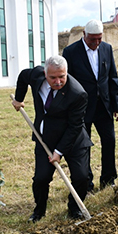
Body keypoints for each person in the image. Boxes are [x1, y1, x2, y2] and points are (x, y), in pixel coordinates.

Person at [12, 55, 92, 222]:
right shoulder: (36, 76)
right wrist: (19, 99)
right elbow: (22, 77)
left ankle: (75, 209)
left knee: (81, 177)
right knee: (41, 178)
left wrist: (59, 152)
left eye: (62, 76)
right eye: (53, 77)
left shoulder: (78, 94)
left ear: (67, 73)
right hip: (45, 138)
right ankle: (39, 211)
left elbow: (74, 127)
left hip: (73, 140)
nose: (57, 81)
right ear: (45, 73)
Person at [63, 19, 118, 191]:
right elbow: (67, 83)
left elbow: (112, 77)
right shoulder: (71, 52)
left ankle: (108, 179)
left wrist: (116, 105)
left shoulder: (107, 49)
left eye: (99, 39)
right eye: (92, 39)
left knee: (109, 142)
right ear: (84, 35)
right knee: (83, 146)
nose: (96, 43)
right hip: (81, 108)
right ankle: (86, 183)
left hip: (104, 106)